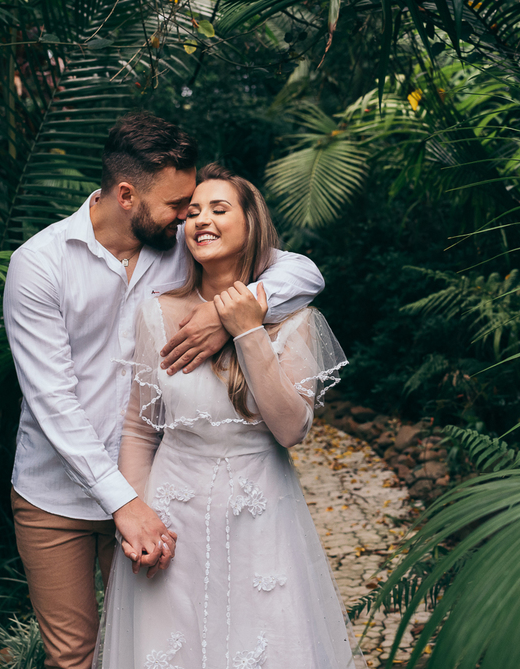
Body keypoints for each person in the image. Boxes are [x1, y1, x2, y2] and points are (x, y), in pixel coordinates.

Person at [3, 114, 325, 669]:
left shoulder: (178, 243)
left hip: (152, 483)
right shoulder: (39, 265)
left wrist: (229, 317)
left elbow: (304, 273)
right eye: (180, 204)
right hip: (57, 494)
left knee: (144, 648)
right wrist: (127, 505)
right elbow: (52, 404)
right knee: (76, 656)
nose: (189, 215)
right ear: (127, 195)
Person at [94, 164, 358, 669]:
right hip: (173, 512)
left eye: (219, 209)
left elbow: (290, 429)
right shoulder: (157, 313)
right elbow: (137, 428)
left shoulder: (295, 317)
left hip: (262, 514)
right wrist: (139, 521)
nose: (201, 220)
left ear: (250, 225)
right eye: (192, 212)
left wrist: (244, 328)